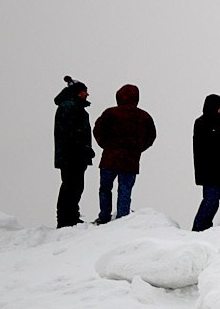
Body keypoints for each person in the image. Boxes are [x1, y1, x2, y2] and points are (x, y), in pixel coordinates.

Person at [92, 83, 156, 223]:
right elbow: (151, 137)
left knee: (105, 188)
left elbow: (98, 130)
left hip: (110, 158)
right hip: (130, 160)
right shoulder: (144, 116)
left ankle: (104, 216)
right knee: (125, 190)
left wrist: (107, 145)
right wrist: (137, 148)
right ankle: (122, 218)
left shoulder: (110, 113)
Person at [53, 78, 93, 226]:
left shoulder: (72, 107)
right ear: (77, 92)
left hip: (72, 155)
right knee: (72, 186)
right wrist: (84, 149)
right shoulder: (70, 107)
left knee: (73, 185)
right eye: (84, 91)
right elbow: (72, 133)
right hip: (72, 156)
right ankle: (66, 219)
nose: (87, 94)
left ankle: (69, 216)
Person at [191, 94, 220, 231]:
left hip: (216, 170)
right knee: (210, 199)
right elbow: (208, 148)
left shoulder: (215, 125)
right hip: (210, 170)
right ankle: (199, 227)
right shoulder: (203, 124)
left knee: (214, 200)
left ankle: (204, 226)